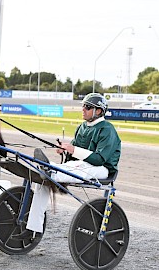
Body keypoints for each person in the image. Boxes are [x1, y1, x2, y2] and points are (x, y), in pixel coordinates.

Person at [13, 93, 121, 240]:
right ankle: (33, 229)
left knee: (79, 168)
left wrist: (72, 149)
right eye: (83, 106)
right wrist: (64, 150)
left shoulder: (107, 130)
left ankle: (50, 171)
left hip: (103, 169)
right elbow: (73, 155)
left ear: (99, 111)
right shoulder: (82, 127)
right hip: (82, 165)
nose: (83, 109)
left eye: (88, 107)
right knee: (42, 182)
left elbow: (99, 159)